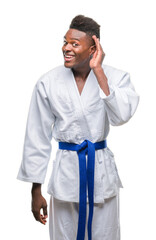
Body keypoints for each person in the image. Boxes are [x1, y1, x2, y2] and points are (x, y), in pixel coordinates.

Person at [17, 15, 139, 240]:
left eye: (75, 44)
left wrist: (99, 72)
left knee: (105, 235)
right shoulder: (48, 82)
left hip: (101, 174)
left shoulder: (116, 77)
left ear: (93, 49)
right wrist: (35, 189)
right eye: (65, 42)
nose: (66, 48)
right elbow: (37, 136)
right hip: (66, 175)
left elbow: (121, 116)